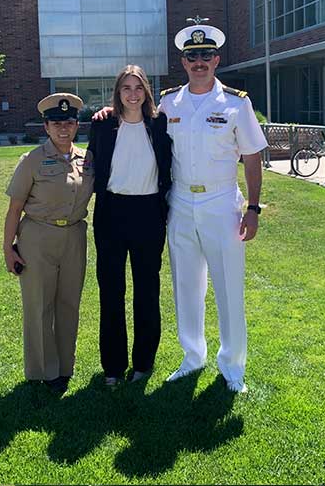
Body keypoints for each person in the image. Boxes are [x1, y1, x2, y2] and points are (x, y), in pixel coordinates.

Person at [93, 20, 268, 393]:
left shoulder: (237, 103)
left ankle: (232, 364)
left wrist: (253, 208)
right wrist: (106, 113)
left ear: (216, 59)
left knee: (228, 286)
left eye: (205, 55)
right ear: (184, 62)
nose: (199, 62)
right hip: (180, 204)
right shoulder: (170, 103)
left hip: (221, 202)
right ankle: (193, 357)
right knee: (186, 286)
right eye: (192, 57)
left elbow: (252, 157)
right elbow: (133, 124)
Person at [3, 93, 94, 394]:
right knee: (39, 305)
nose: (63, 128)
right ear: (46, 127)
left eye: (68, 122)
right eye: (56, 123)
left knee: (69, 304)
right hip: (37, 238)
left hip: (74, 237)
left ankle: (65, 367)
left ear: (76, 125)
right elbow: (15, 208)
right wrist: (8, 248)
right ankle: (44, 370)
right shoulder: (32, 161)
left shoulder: (87, 160)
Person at [88, 65, 172, 386]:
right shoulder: (103, 125)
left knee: (147, 292)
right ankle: (112, 368)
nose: (133, 94)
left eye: (138, 88)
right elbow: (92, 167)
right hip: (111, 213)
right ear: (117, 92)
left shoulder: (159, 124)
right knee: (111, 292)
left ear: (147, 91)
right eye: (126, 88)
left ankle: (143, 364)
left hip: (149, 213)